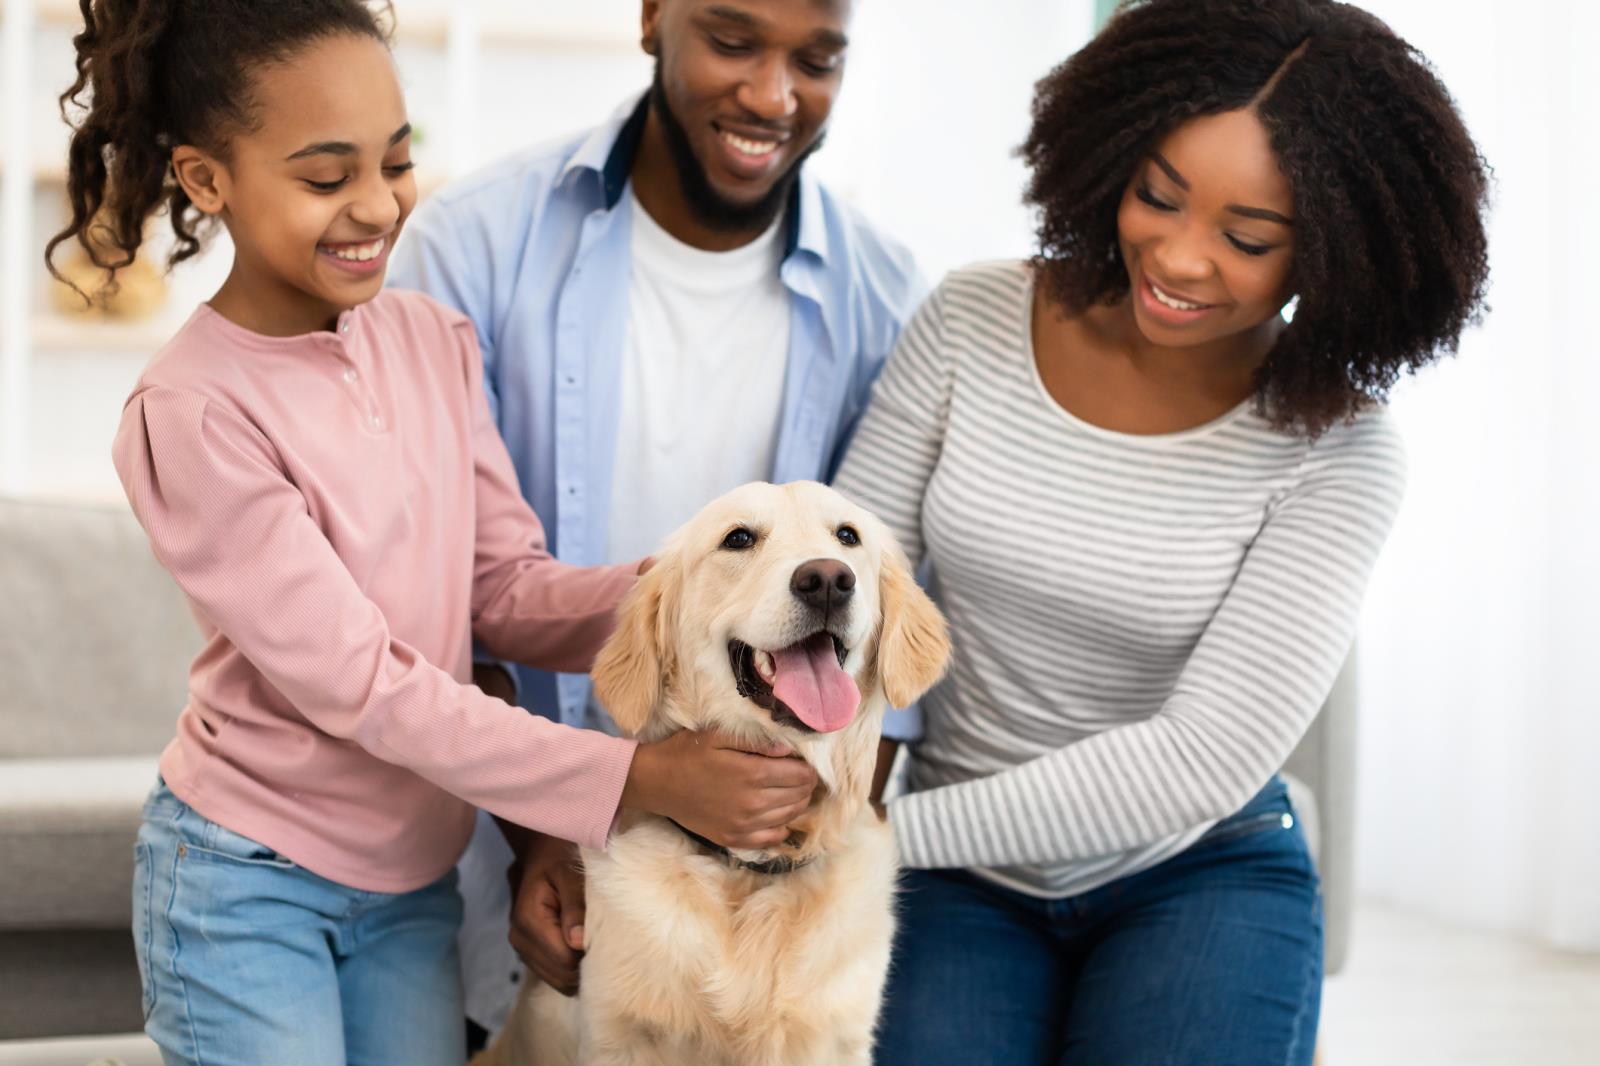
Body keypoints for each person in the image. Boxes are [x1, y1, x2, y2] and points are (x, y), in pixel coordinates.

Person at [46, 3, 817, 1063]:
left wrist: (693, 585)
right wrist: (634, 778)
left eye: (396, 161)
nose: (376, 205)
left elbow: (501, 588)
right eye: (326, 177)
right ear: (206, 179)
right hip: (246, 881)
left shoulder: (430, 340)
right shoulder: (193, 412)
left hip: (410, 882)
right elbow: (365, 684)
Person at [831, 1, 1491, 1063]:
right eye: (1157, 197)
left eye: (1246, 238)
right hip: (958, 878)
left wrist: (863, 844)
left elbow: (1195, 761)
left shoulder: (1344, 454)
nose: (1179, 259)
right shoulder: (970, 321)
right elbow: (851, 591)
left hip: (1198, 868)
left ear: (1335, 251)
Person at [385, 0, 925, 1040]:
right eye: (732, 41)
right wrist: (548, 830)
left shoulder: (884, 295)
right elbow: (438, 596)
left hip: (768, 889)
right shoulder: (468, 248)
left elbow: (881, 637)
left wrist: (811, 842)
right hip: (508, 855)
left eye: (816, 59)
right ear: (651, 17)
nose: (773, 95)